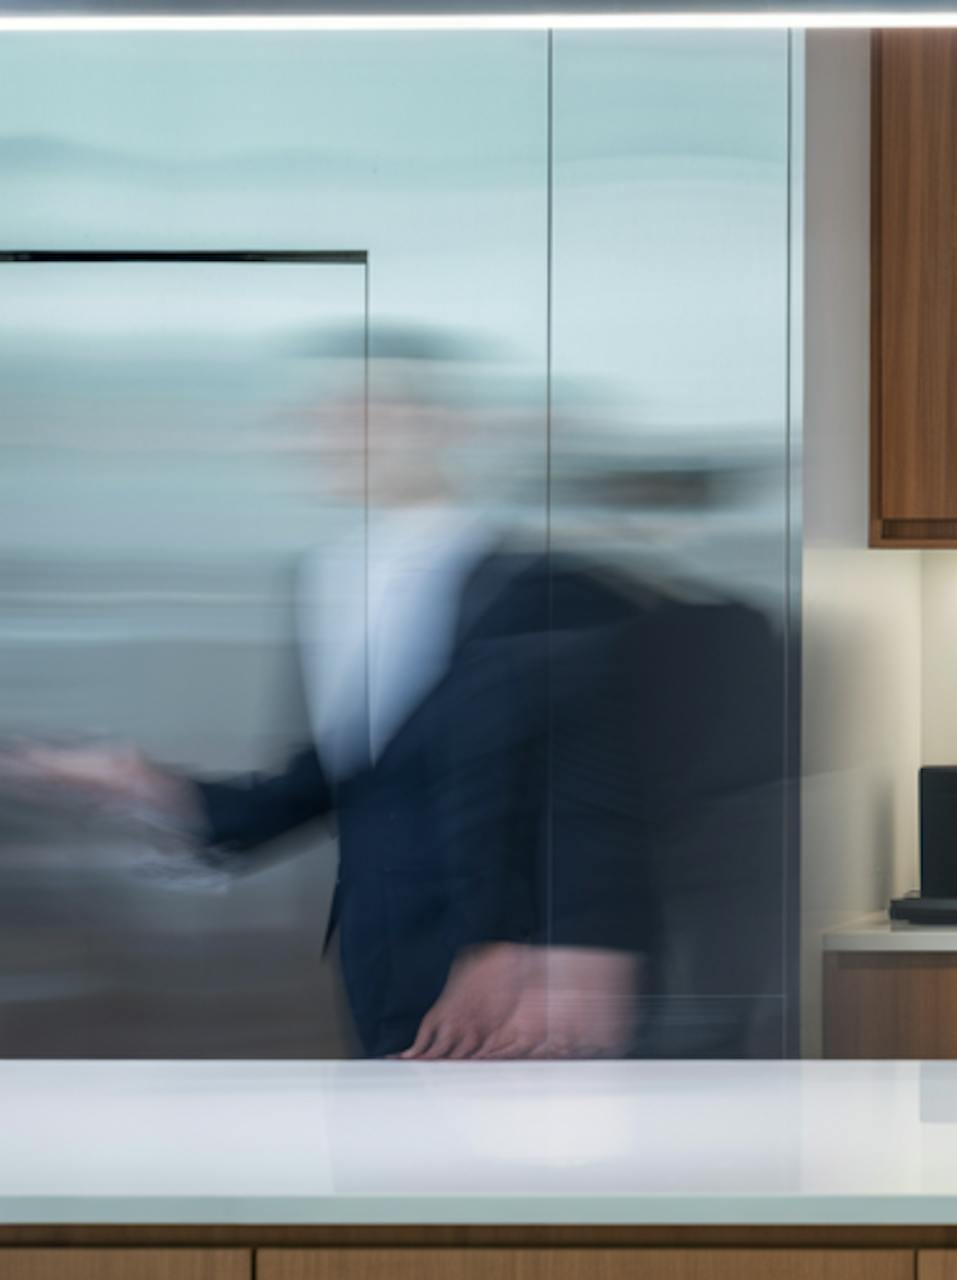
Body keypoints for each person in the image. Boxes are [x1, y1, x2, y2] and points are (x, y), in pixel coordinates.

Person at [4, 333, 674, 1059]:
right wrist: (145, 783)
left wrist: (562, 940)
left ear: (447, 427)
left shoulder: (549, 588)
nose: (331, 432)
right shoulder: (326, 580)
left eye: (366, 409)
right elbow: (343, 780)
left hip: (532, 974)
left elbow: (597, 789)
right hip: (385, 958)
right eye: (318, 414)